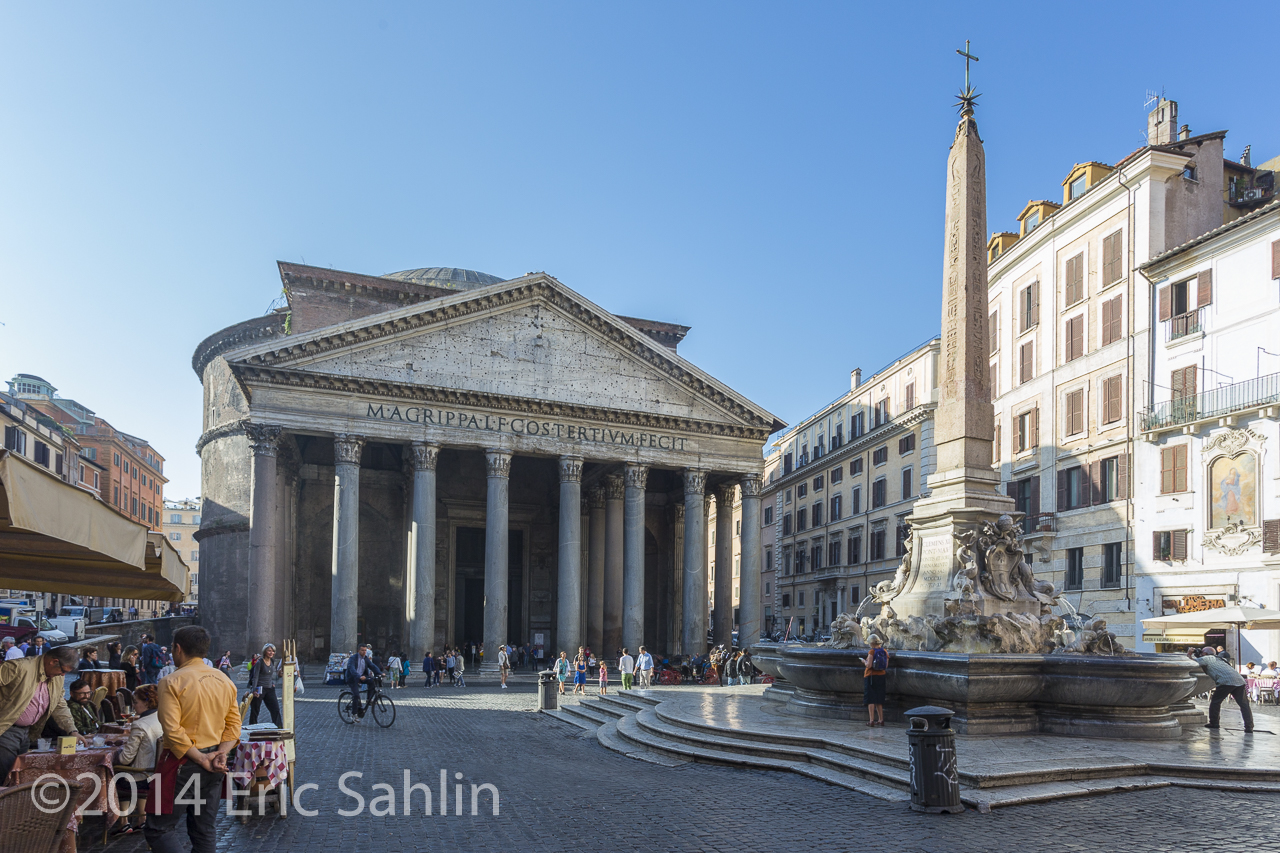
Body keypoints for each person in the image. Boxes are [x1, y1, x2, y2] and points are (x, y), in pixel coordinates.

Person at [144, 625, 240, 853]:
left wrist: (202, 758)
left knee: (158, 828)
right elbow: (234, 726)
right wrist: (221, 753)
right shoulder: (224, 680)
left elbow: (173, 730)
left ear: (177, 649)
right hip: (215, 760)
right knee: (204, 829)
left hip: (184, 761)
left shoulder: (171, 681)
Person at [0, 645, 86, 781]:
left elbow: (59, 704)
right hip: (6, 729)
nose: (63, 675)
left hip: (27, 732)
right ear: (53, 661)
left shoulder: (56, 676)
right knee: (4, 776)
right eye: (63, 670)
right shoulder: (19, 667)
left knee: (18, 778)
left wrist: (72, 730)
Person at [113, 682, 164, 834]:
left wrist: (116, 755)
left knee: (115, 775)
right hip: (155, 774)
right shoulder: (162, 718)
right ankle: (141, 819)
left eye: (136, 702)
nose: (134, 706)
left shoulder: (140, 724)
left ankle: (123, 822)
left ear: (146, 703)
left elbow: (125, 760)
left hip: (142, 777)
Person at [1196, 646, 1254, 732]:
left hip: (1225, 681)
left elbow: (1192, 662)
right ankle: (1249, 726)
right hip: (1239, 680)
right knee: (1244, 705)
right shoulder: (1220, 659)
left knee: (1215, 702)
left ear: (1205, 653)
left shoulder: (1206, 658)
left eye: (1202, 653)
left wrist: (1190, 653)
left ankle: (1214, 723)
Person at [247, 643, 283, 728]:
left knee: (275, 709)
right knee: (255, 711)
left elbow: (270, 675)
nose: (271, 653)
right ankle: (252, 728)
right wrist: (254, 690)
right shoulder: (260, 662)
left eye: (273, 651)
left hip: (270, 689)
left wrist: (274, 681)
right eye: (269, 650)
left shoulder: (272, 661)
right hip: (259, 688)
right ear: (265, 651)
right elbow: (255, 677)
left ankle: (279, 728)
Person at [344, 643, 381, 719]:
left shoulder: (365, 658)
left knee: (372, 682)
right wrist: (359, 676)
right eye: (362, 650)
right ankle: (354, 714)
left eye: (365, 650)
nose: (364, 652)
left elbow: (372, 666)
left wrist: (380, 673)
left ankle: (368, 699)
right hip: (353, 678)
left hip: (362, 676)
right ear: (358, 650)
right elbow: (352, 669)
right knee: (356, 695)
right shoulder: (353, 658)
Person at [861, 635, 889, 727]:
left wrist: (864, 662)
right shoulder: (884, 651)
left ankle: (871, 720)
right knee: (879, 699)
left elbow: (869, 665)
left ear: (872, 643)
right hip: (881, 676)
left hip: (871, 676)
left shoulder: (872, 651)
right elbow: (886, 665)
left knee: (871, 699)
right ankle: (881, 720)